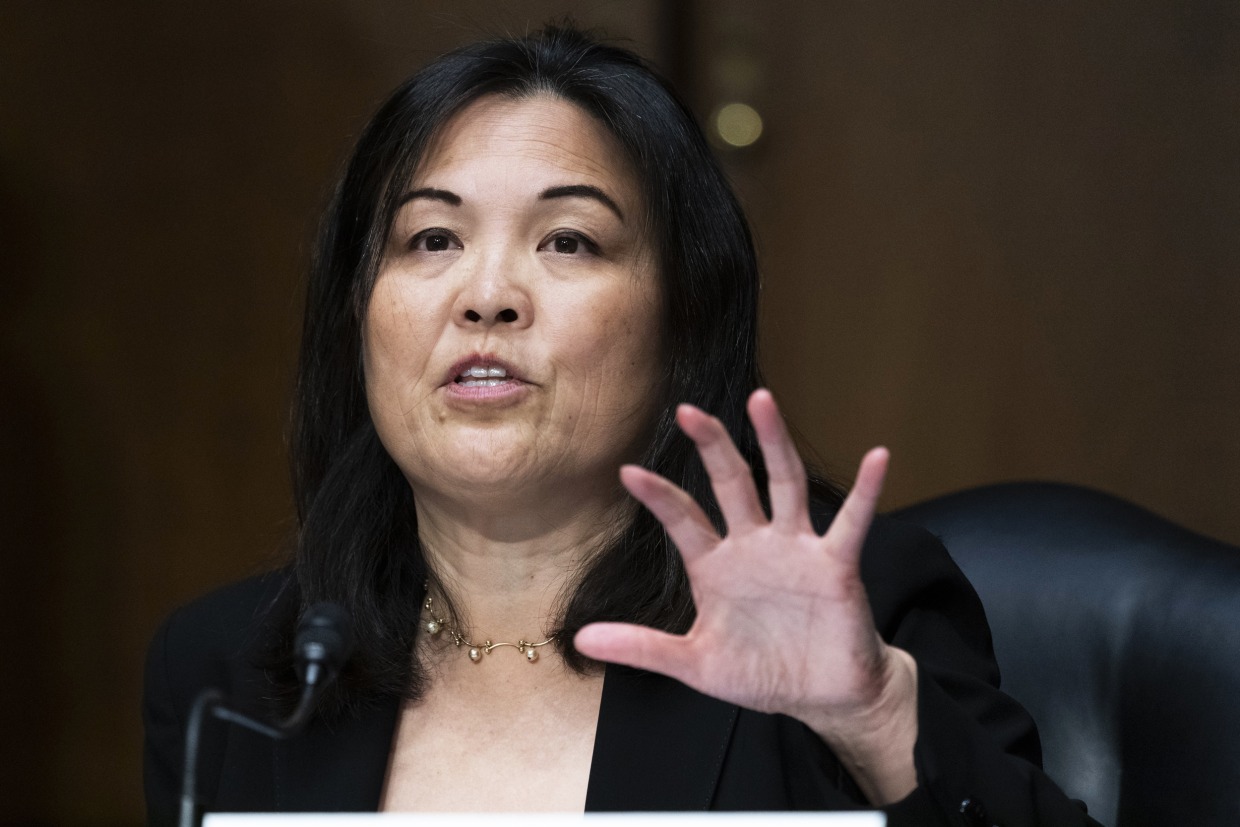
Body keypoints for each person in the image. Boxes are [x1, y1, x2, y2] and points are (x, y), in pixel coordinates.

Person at [143, 25, 1098, 826]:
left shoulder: (858, 607)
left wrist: (879, 719)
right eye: (432, 238)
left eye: (569, 241)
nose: (487, 295)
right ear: (358, 311)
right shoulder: (234, 670)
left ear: (682, 317)